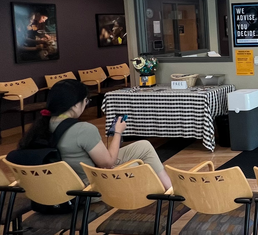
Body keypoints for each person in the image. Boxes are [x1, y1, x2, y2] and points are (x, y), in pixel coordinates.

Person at [18, 79, 172, 190]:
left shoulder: (41, 126)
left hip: (59, 186)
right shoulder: (83, 129)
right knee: (141, 166)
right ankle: (170, 190)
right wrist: (118, 132)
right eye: (86, 101)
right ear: (75, 104)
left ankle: (169, 188)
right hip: (89, 189)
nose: (86, 104)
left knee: (143, 146)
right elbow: (108, 163)